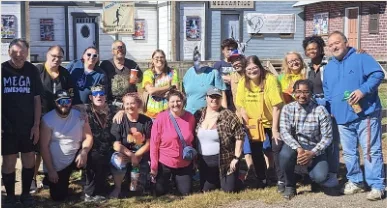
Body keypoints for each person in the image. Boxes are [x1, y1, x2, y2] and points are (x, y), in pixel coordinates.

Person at [324, 31, 385, 201]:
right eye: (330, 45)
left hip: (365, 114)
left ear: (346, 42)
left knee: (370, 150)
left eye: (337, 43)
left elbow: (378, 74)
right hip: (342, 117)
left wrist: (362, 90)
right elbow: (328, 92)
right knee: (349, 152)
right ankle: (356, 181)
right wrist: (331, 108)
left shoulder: (361, 57)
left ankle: (377, 185)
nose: (334, 47)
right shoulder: (329, 67)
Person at [2, 39, 43, 207]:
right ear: (9, 51)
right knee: (9, 162)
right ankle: (10, 196)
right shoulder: (2, 69)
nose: (19, 56)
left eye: (22, 53)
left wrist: (36, 125)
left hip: (27, 126)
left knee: (29, 160)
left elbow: (37, 100)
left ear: (27, 53)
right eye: (15, 52)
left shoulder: (32, 70)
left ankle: (26, 194)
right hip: (6, 126)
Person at [279, 79, 336, 200]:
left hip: (314, 148)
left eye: (306, 92)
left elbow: (327, 137)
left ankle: (311, 178)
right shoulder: (287, 109)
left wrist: (313, 153)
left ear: (311, 93)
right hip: (295, 146)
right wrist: (298, 148)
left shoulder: (320, 110)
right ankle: (290, 185)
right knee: (284, 155)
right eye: (298, 91)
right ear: (294, 92)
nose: (302, 95)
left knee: (320, 177)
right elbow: (284, 132)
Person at [30, 45, 75, 193]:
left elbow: (71, 95)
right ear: (47, 55)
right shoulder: (37, 71)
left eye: (60, 57)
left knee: (53, 147)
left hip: (57, 117)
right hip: (39, 115)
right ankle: (32, 179)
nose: (56, 59)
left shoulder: (65, 73)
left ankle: (49, 177)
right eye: (53, 56)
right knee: (36, 150)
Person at [235, 55, 284, 189]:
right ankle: (261, 178)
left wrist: (274, 129)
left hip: (272, 119)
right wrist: (248, 124)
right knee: (256, 151)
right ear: (245, 70)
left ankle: (279, 178)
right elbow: (240, 106)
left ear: (260, 67)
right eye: (248, 69)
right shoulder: (243, 82)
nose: (252, 71)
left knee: (276, 148)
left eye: (255, 67)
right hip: (253, 122)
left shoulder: (270, 80)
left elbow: (276, 106)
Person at [39, 89, 93, 201]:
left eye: (67, 101)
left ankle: (90, 189)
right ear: (55, 102)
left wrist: (84, 152)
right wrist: (51, 170)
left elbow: (89, 137)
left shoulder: (80, 116)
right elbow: (43, 147)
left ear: (71, 101)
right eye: (61, 101)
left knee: (95, 154)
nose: (64, 105)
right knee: (58, 197)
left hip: (77, 156)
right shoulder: (47, 119)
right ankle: (52, 180)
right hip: (58, 164)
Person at [194, 87, 244, 192]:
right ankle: (217, 178)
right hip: (205, 162)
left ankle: (237, 178)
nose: (214, 100)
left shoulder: (229, 115)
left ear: (221, 99)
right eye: (212, 97)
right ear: (206, 98)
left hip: (225, 160)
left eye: (217, 97)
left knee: (229, 190)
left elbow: (240, 136)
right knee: (206, 190)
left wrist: (236, 158)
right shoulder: (198, 114)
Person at [150, 90, 196, 196]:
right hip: (165, 162)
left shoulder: (190, 117)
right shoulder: (161, 118)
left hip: (183, 162)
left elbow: (192, 140)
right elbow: (154, 144)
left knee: (186, 193)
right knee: (159, 192)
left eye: (178, 101)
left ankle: (177, 182)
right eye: (172, 101)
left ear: (183, 102)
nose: (175, 104)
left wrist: (194, 161)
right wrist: (154, 166)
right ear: (168, 103)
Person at [110, 93, 153, 198]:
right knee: (116, 159)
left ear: (138, 104)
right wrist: (131, 155)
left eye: (132, 103)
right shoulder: (119, 120)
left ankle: (133, 185)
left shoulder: (147, 121)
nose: (130, 106)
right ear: (123, 105)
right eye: (127, 104)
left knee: (136, 190)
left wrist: (137, 155)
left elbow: (149, 142)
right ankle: (118, 188)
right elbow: (116, 145)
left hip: (141, 153)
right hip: (125, 153)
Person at [83, 85, 116, 202]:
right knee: (95, 157)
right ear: (91, 97)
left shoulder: (113, 109)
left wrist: (122, 112)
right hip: (92, 147)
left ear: (105, 96)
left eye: (101, 94)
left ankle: (104, 187)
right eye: (95, 94)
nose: (99, 96)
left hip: (110, 147)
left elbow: (128, 108)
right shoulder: (85, 110)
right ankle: (89, 192)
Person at [228, 50, 255, 179]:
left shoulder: (251, 73)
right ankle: (250, 168)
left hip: (254, 114)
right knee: (246, 144)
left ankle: (268, 169)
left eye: (238, 60)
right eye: (233, 61)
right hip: (239, 115)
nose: (236, 63)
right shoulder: (233, 77)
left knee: (262, 143)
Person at [142, 49, 179, 118]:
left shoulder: (172, 72)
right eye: (156, 58)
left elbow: (175, 91)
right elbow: (151, 91)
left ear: (165, 59)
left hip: (169, 113)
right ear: (152, 60)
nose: (159, 59)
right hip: (152, 115)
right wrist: (168, 87)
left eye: (162, 57)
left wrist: (156, 91)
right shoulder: (148, 73)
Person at [213, 38, 239, 111]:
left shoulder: (238, 64)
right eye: (228, 49)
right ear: (223, 51)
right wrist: (225, 78)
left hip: (236, 93)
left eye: (232, 49)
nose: (230, 51)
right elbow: (213, 78)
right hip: (222, 93)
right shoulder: (218, 64)